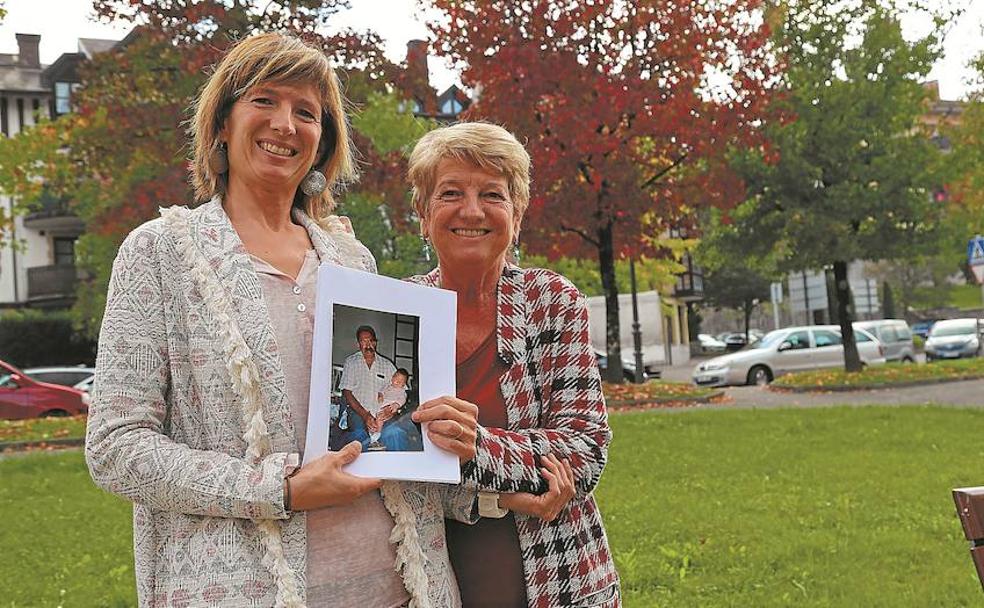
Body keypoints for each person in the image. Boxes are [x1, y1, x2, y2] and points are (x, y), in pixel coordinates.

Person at [85, 33, 480, 608]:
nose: (285, 124)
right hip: (241, 590)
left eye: (307, 112)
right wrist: (282, 490)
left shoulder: (351, 259)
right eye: (264, 101)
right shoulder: (160, 253)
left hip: (396, 585)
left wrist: (436, 431)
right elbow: (115, 447)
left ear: (323, 143)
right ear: (222, 122)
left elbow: (381, 433)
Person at [406, 122, 621, 607]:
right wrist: (497, 495)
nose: (472, 210)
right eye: (450, 193)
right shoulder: (399, 310)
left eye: (492, 194)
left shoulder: (552, 301)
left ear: (517, 214)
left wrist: (476, 446)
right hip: (431, 578)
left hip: (558, 575)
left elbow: (583, 449)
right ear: (423, 213)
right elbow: (390, 464)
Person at [338, 325, 411, 450]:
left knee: (396, 434)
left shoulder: (387, 365)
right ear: (358, 344)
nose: (367, 345)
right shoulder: (351, 362)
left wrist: (392, 410)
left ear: (375, 343)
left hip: (383, 411)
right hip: (358, 412)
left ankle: (398, 468)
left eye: (370, 340)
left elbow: (402, 389)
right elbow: (347, 392)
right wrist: (365, 415)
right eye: (363, 341)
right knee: (360, 436)